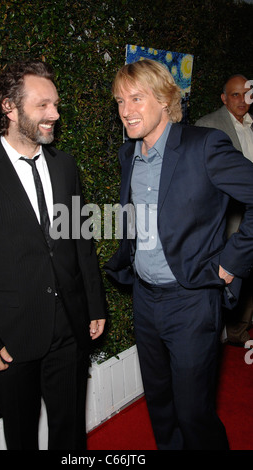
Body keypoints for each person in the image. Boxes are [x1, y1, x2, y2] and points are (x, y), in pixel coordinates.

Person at [0, 60, 106, 450]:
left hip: (70, 329)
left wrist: (94, 305)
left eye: (55, 104)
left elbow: (81, 243)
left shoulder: (66, 166)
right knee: (20, 437)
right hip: (11, 338)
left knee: (70, 433)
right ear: (9, 107)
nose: (54, 114)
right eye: (43, 105)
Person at [104, 59, 253, 450]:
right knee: (161, 407)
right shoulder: (128, 155)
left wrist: (230, 262)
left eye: (136, 98)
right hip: (145, 300)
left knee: (193, 412)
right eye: (120, 101)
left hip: (191, 299)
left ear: (165, 99)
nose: (126, 110)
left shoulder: (203, 145)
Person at [196, 75, 253, 346]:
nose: (242, 101)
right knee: (231, 279)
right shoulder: (207, 126)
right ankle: (222, 336)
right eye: (235, 95)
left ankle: (241, 331)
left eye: (246, 95)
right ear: (223, 98)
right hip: (229, 221)